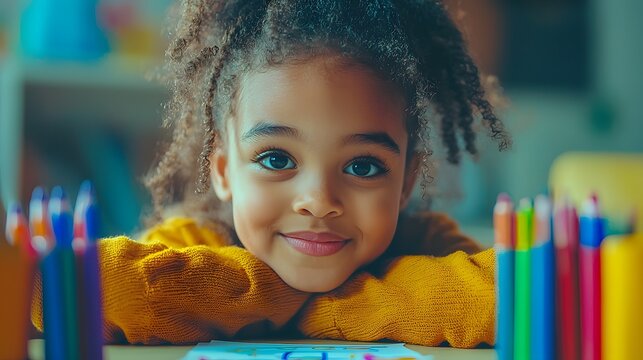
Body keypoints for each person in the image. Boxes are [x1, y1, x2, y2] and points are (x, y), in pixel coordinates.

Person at [32, 0, 511, 347]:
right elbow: (76, 289)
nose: (318, 199)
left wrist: (333, 304)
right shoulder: (194, 239)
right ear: (223, 170)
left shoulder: (422, 239)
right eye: (277, 159)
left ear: (405, 182)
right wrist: (264, 291)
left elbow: (515, 301)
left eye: (363, 166)